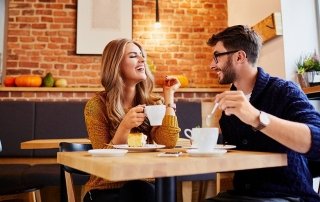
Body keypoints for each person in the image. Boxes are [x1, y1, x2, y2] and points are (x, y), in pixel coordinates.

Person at [205, 25, 320, 202]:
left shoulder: (284, 91)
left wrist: (256, 117)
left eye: (216, 56)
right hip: (243, 195)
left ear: (239, 56)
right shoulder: (229, 103)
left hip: (289, 195)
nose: (212, 65)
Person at [83, 38, 181, 202]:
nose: (142, 59)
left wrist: (169, 97)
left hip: (146, 186)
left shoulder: (153, 103)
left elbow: (168, 141)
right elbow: (103, 164)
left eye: (142, 55)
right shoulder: (96, 106)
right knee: (140, 189)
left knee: (151, 188)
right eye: (133, 56)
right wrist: (124, 127)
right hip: (106, 190)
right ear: (116, 65)